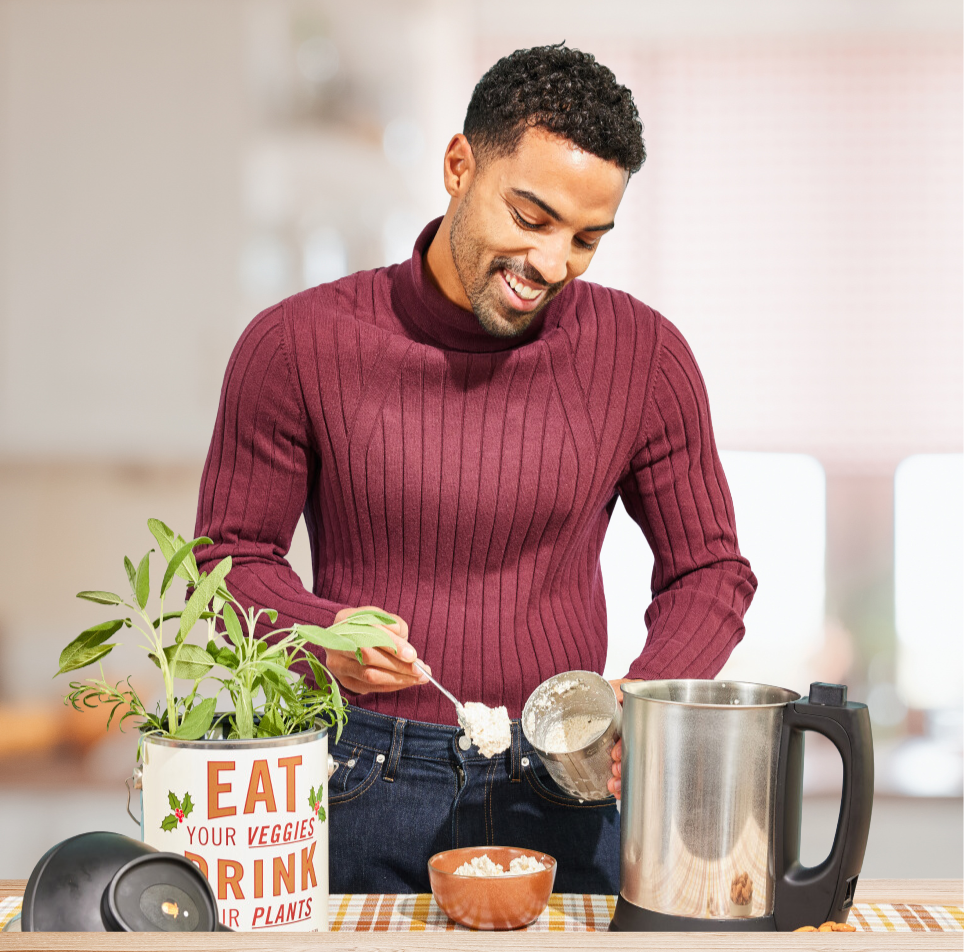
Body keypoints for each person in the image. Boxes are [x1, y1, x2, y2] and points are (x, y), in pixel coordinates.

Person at [195, 45, 756, 895]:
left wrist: (640, 704)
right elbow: (227, 559)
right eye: (531, 218)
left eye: (586, 239)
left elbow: (711, 571)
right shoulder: (295, 346)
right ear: (459, 165)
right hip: (359, 780)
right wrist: (320, 637)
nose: (553, 265)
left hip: (565, 788)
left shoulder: (644, 355)